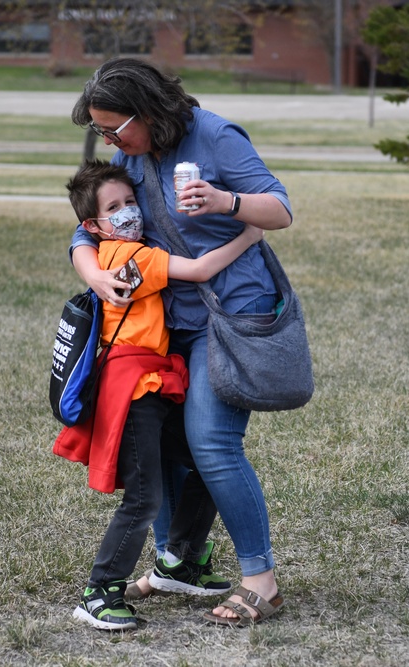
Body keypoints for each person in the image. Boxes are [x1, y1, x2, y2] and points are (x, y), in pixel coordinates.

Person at [69, 57, 293, 627]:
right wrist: (92, 272)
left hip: (231, 315)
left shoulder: (215, 136)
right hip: (170, 326)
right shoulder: (133, 151)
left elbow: (281, 208)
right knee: (173, 450)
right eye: (101, 130)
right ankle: (181, 561)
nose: (108, 140)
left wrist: (225, 202)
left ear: (146, 112)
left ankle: (260, 582)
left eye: (113, 129)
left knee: (212, 441)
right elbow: (88, 219)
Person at [53, 159, 263, 631]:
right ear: (92, 226)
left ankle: (181, 561)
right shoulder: (136, 258)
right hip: (134, 392)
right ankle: (99, 592)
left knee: (210, 459)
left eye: (131, 201)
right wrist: (248, 236)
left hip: (151, 384)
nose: (129, 211)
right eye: (115, 207)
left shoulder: (116, 253)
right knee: (144, 498)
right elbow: (202, 268)